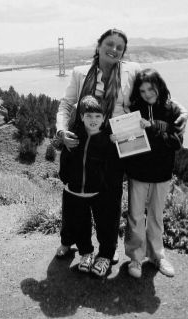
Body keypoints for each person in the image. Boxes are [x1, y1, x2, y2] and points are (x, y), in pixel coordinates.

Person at [56, 28, 188, 277]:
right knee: (77, 194)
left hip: (119, 143)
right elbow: (65, 104)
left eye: (120, 46)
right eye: (110, 44)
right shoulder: (79, 73)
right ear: (98, 45)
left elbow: (157, 90)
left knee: (111, 197)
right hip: (87, 141)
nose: (114, 49)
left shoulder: (132, 69)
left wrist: (183, 110)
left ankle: (108, 249)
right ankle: (76, 243)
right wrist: (61, 130)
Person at [119, 68, 183, 278]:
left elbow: (176, 142)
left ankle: (157, 256)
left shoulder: (172, 110)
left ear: (159, 85)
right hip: (138, 173)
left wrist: (153, 127)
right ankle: (136, 259)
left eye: (150, 88)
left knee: (156, 216)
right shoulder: (133, 110)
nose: (147, 93)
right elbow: (127, 142)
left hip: (162, 173)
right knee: (135, 216)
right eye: (142, 90)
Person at [59, 95, 111, 276]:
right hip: (75, 191)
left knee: (105, 226)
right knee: (81, 225)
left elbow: (112, 167)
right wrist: (66, 180)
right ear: (81, 117)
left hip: (98, 193)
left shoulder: (107, 141)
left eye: (98, 116)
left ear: (104, 118)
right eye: (89, 116)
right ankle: (86, 253)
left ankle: (105, 256)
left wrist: (105, 186)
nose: (93, 120)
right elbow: (64, 159)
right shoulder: (74, 137)